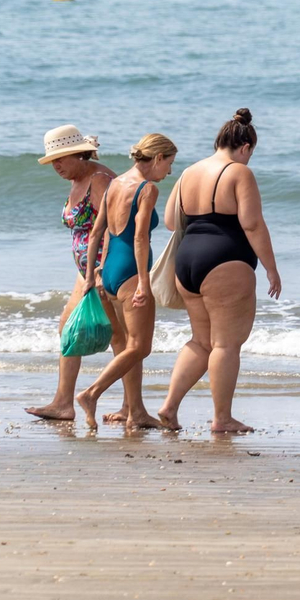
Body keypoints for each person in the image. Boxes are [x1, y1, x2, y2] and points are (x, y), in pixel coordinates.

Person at [157, 108, 281, 434]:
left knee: (201, 342)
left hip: (187, 261)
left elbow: (170, 221)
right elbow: (252, 224)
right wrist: (271, 269)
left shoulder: (189, 172)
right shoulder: (239, 172)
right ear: (245, 147)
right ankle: (222, 418)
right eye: (250, 153)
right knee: (226, 344)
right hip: (226, 261)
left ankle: (169, 407)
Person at [75, 132, 178, 428]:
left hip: (108, 271)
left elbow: (97, 232)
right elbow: (140, 237)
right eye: (169, 163)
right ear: (158, 158)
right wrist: (144, 282)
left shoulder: (114, 183)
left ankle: (135, 411)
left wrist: (92, 274)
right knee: (140, 347)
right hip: (131, 272)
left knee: (126, 346)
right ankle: (91, 394)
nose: (169, 171)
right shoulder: (147, 189)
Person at [25, 125, 119, 421]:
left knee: (121, 340)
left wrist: (100, 272)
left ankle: (133, 408)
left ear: (78, 154)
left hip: (105, 269)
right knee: (68, 328)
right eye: (52, 161)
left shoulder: (99, 179)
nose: (56, 166)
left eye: (60, 159)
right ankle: (63, 403)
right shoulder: (78, 178)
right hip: (86, 271)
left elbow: (112, 228)